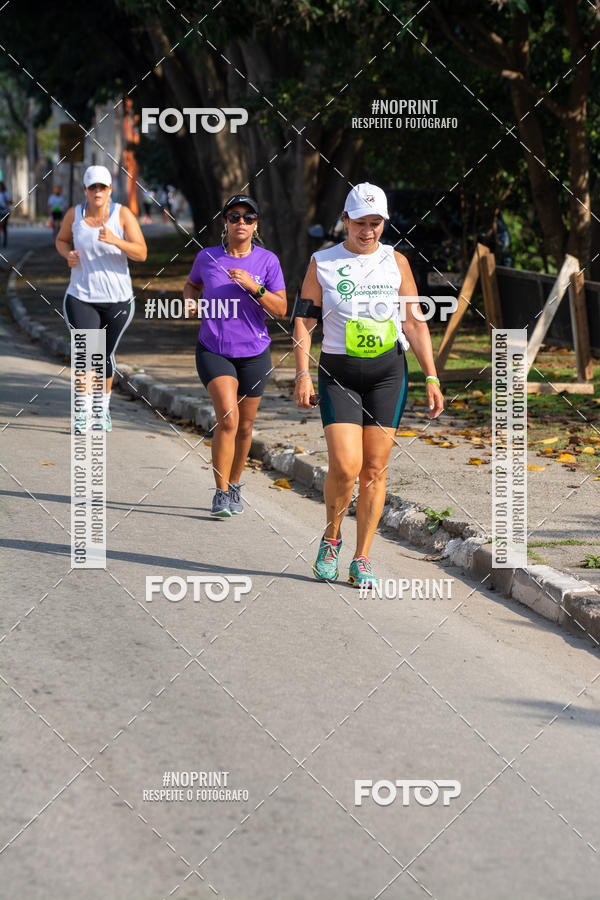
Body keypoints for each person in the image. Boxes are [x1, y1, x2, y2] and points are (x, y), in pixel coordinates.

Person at [293, 182, 444, 587]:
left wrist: (431, 374)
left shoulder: (397, 262)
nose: (368, 231)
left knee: (374, 469)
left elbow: (413, 321)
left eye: (376, 223)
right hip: (338, 373)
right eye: (361, 222)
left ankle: (362, 558)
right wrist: (303, 372)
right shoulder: (322, 262)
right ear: (345, 220)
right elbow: (305, 320)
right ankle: (331, 538)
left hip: (388, 373)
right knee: (345, 466)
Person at [183, 194, 287, 517]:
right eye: (234, 216)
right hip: (214, 349)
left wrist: (255, 288)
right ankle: (220, 492)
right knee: (228, 418)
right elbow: (191, 286)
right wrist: (189, 302)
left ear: (256, 225)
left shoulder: (268, 261)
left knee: (245, 427)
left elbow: (282, 309)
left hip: (255, 351)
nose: (241, 222)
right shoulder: (207, 257)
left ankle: (235, 483)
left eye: (248, 217)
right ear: (225, 223)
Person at [55, 165, 147, 431]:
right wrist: (67, 254)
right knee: (86, 354)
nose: (97, 192)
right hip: (81, 296)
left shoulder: (122, 215)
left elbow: (141, 253)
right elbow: (61, 240)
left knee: (103, 355)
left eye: (102, 187)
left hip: (117, 299)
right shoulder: (75, 214)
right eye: (92, 187)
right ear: (85, 190)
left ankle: (101, 409)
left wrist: (116, 240)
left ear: (110, 190)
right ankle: (82, 412)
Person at [0, 181, 12, 247]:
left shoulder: (6, 194)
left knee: (4, 226)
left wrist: (8, 201)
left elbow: (10, 202)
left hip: (5, 212)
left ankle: (5, 241)